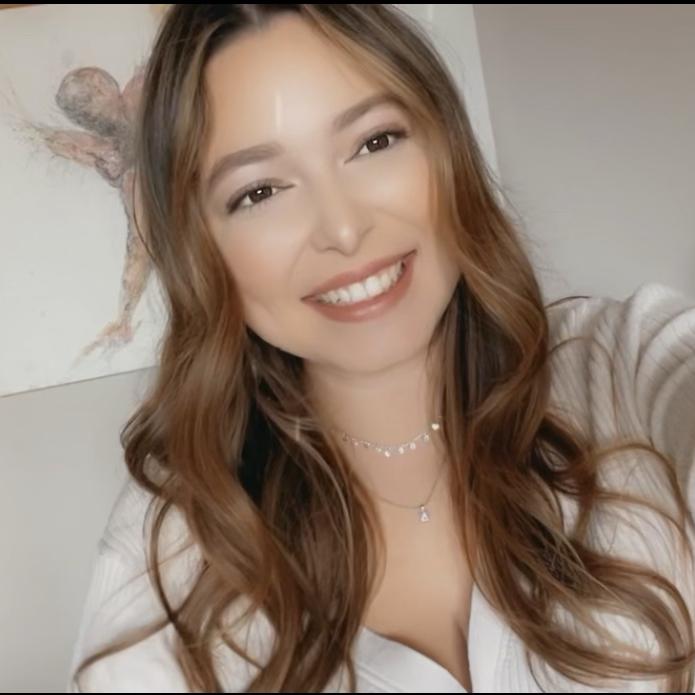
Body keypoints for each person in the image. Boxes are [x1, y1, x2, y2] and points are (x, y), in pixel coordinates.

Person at [67, 5, 695, 692]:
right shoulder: (173, 548)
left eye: (374, 142)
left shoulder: (619, 368)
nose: (342, 228)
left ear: (445, 147)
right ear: (201, 249)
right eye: (259, 191)